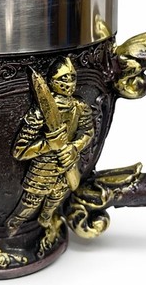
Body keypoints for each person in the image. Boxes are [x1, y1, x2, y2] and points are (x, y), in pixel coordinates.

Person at [7, 56, 94, 243]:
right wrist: (48, 144)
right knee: (31, 202)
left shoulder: (80, 107)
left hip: (67, 162)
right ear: (52, 81)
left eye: (72, 78)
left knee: (57, 197)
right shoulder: (39, 113)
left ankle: (46, 224)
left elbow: (87, 132)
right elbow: (20, 151)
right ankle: (14, 229)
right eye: (63, 79)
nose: (69, 83)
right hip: (43, 167)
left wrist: (74, 147)